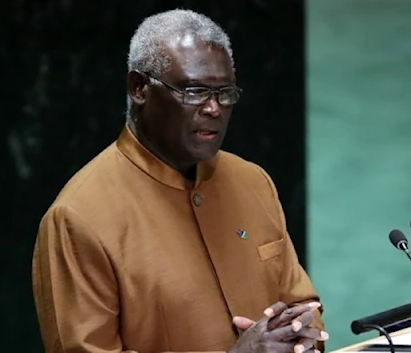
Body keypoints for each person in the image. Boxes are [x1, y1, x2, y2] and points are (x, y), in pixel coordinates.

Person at [31, 8, 328, 353]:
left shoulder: (252, 181)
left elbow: (304, 304)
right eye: (194, 91)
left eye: (225, 93)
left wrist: (299, 333)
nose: (214, 108)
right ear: (139, 88)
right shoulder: (78, 219)